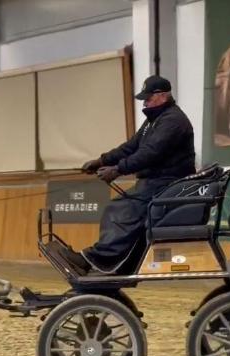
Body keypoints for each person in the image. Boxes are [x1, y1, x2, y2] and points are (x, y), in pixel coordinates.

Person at [61, 75, 196, 273]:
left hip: (167, 182)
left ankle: (101, 260)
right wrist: (102, 160)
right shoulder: (154, 120)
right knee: (120, 207)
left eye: (148, 97)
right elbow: (131, 147)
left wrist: (117, 170)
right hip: (156, 181)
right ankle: (110, 261)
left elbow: (149, 153)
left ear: (162, 95)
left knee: (120, 209)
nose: (145, 102)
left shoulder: (173, 121)